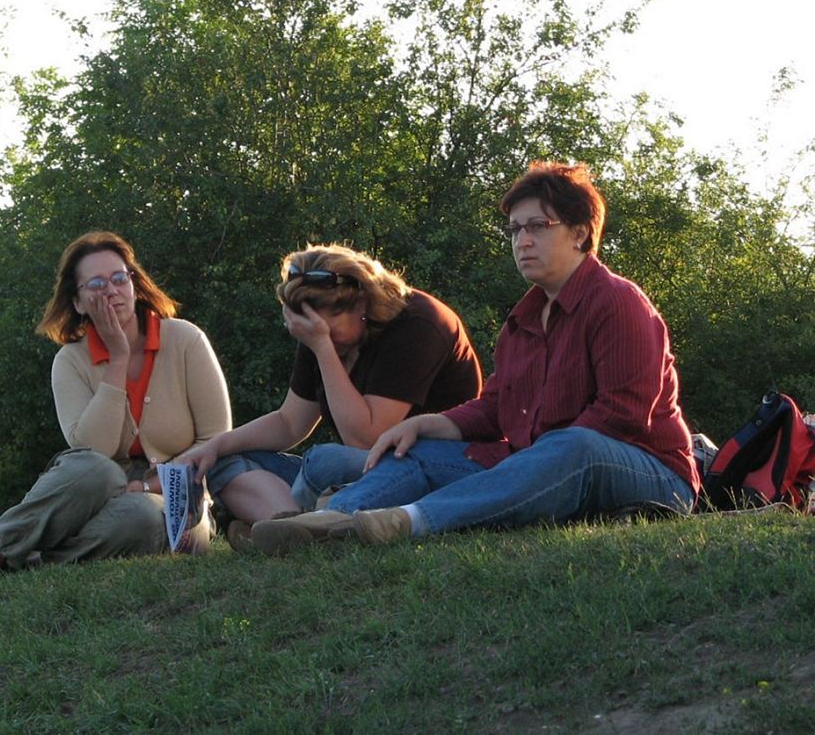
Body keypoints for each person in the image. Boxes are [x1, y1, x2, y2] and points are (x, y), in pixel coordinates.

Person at [250, 162, 701, 556]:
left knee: (572, 446)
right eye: (515, 230)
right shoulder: (523, 319)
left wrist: (528, 465)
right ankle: (331, 523)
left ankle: (410, 520)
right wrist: (427, 425)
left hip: (649, 473)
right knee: (416, 449)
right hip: (536, 462)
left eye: (538, 226)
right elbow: (495, 409)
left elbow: (622, 415)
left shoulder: (617, 302)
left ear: (580, 233)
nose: (522, 241)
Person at [0, 231, 231, 581]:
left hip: (176, 496)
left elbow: (216, 440)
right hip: (99, 488)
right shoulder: (69, 361)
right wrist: (117, 359)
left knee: (143, 516)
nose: (111, 291)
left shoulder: (186, 339)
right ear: (79, 302)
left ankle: (32, 561)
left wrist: (149, 486)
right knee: (96, 469)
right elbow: (93, 450)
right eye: (96, 284)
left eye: (119, 278)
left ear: (134, 285)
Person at [180, 243, 482, 538]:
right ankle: (293, 525)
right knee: (224, 461)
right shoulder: (318, 333)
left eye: (329, 329)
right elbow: (290, 423)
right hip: (362, 472)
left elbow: (365, 439)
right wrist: (215, 447)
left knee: (325, 461)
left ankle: (294, 525)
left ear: (361, 303)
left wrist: (323, 347)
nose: (317, 335)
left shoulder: (418, 324)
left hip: (426, 466)